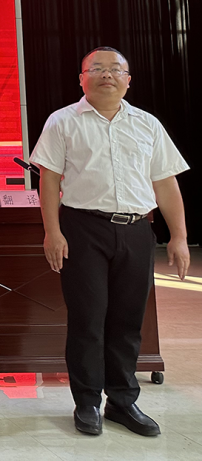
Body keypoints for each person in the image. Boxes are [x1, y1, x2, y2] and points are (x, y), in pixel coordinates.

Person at [30, 46, 190, 437]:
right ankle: (87, 402)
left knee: (128, 320)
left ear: (128, 80)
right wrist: (53, 231)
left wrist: (180, 236)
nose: (107, 75)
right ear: (81, 79)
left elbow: (165, 182)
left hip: (136, 231)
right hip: (83, 229)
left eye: (115, 69)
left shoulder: (147, 124)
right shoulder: (62, 121)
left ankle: (122, 400)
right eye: (97, 69)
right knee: (88, 319)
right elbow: (48, 179)